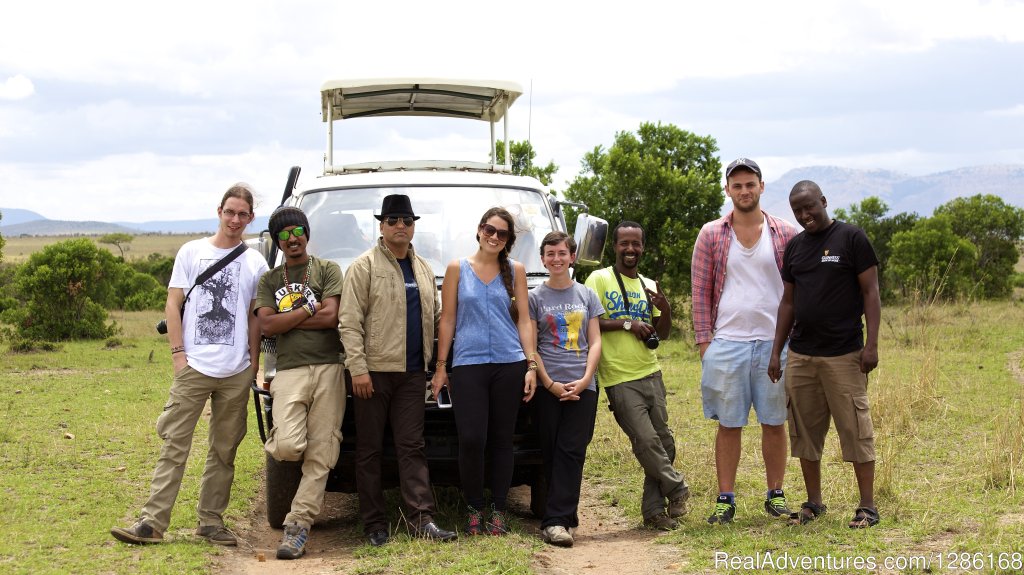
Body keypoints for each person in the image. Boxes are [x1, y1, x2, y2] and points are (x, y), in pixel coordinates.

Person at [111, 183, 269, 546]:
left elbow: (255, 316)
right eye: (230, 212)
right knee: (174, 444)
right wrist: (178, 356)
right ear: (219, 211)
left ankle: (211, 522)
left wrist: (253, 364)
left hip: (235, 369)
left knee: (225, 450)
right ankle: (151, 523)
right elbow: (172, 304)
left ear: (250, 218)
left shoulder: (255, 262)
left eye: (242, 214)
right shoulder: (191, 251)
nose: (234, 219)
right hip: (194, 366)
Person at [339, 194, 457, 546]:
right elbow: (349, 321)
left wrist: (440, 364)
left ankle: (422, 519)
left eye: (406, 220)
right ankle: (375, 524)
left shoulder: (422, 267)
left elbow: (436, 318)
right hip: (372, 374)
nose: (400, 226)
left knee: (412, 446)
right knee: (370, 449)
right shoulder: (363, 266)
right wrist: (357, 369)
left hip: (411, 375)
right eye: (393, 220)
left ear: (413, 225)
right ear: (381, 225)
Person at [767, 180, 882, 529]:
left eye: (810, 207)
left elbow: (871, 292)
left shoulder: (851, 238)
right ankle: (813, 502)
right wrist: (777, 352)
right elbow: (788, 301)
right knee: (804, 433)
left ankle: (867, 507)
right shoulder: (796, 248)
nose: (805, 215)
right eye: (798, 211)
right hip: (802, 355)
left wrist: (872, 345)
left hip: (844, 355)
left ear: (824, 202)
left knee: (856, 430)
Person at [691, 158, 798, 525]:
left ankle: (776, 494)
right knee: (729, 423)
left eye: (750, 184)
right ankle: (725, 498)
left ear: (762, 187)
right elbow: (700, 290)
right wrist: (706, 344)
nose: (744, 190)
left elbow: (797, 291)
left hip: (775, 342)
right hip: (728, 342)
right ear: (728, 191)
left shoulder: (784, 232)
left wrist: (792, 341)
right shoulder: (711, 234)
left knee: (775, 420)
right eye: (737, 185)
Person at [431, 207, 538, 536]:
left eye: (502, 233)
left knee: (502, 440)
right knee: (473, 439)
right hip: (468, 365)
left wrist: (531, 363)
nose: (494, 237)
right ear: (479, 230)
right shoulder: (456, 269)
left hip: (509, 363)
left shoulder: (516, 270)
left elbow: (523, 320)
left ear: (508, 240)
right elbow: (447, 319)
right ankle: (474, 507)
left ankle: (499, 509)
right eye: (490, 230)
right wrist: (440, 367)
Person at [584, 221, 689, 531]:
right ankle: (676, 486)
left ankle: (654, 512)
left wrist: (665, 307)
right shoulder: (599, 278)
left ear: (643, 247)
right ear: (615, 247)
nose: (630, 249)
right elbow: (590, 321)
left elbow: (664, 333)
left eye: (636, 244)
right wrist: (628, 323)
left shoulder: (650, 285)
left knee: (664, 443)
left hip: (651, 371)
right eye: (624, 243)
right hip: (618, 376)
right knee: (645, 440)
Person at [255, 206, 346, 559]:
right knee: (291, 447)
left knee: (321, 453)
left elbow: (332, 316)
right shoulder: (270, 280)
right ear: (277, 241)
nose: (292, 240)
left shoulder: (327, 269)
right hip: (289, 370)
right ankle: (279, 442)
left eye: (297, 232)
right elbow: (267, 326)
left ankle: (298, 526)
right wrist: (309, 310)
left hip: (329, 367)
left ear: (306, 233)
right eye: (284, 235)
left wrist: (287, 318)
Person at [529, 231, 603, 547]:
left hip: (583, 385)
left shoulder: (587, 295)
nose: (556, 259)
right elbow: (531, 346)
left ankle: (555, 522)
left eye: (562, 253)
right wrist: (549, 384)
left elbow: (596, 341)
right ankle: (564, 513)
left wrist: (586, 380)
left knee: (572, 451)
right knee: (551, 451)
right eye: (550, 253)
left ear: (572, 257)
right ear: (543, 258)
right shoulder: (534, 297)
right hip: (548, 387)